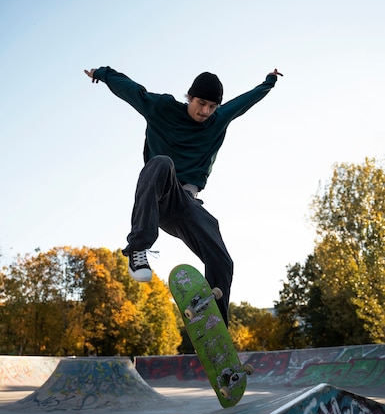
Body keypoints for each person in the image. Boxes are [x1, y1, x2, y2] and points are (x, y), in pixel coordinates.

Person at [84, 65, 283, 325]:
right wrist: (103, 73)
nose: (205, 112)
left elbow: (245, 101)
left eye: (212, 107)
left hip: (187, 205)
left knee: (222, 260)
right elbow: (131, 90)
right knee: (162, 163)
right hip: (160, 195)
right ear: (189, 96)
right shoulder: (162, 108)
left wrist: (268, 82)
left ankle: (216, 329)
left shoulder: (218, 119)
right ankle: (138, 248)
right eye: (201, 103)